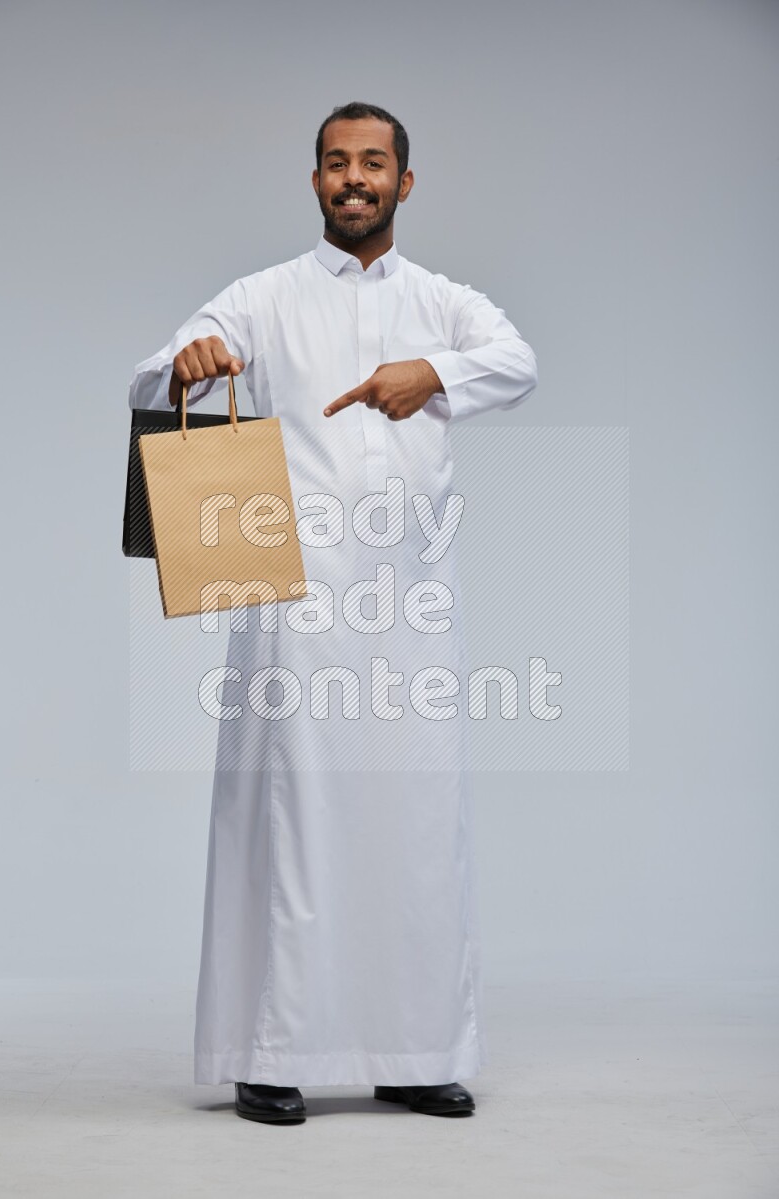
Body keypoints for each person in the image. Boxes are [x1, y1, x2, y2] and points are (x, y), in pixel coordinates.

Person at [128, 101, 538, 1124]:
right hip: (292, 608)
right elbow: (170, 359)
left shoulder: (444, 302)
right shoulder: (262, 298)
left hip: (408, 609)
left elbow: (516, 363)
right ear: (313, 182)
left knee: (411, 829)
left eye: (372, 163)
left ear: (404, 183)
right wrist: (193, 358)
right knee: (292, 828)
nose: (351, 178)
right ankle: (272, 1051)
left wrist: (428, 373)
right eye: (332, 163)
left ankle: (412, 1049)